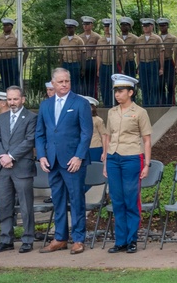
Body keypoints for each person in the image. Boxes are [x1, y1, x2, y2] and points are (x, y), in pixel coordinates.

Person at [36, 67, 93, 255]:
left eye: (67, 81)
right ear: (53, 83)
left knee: (76, 200)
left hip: (73, 161)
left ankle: (78, 239)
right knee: (58, 200)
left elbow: (86, 133)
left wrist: (79, 156)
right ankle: (60, 238)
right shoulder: (45, 105)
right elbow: (40, 134)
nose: (64, 84)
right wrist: (42, 156)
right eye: (60, 81)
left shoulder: (80, 103)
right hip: (52, 161)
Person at [103, 74, 152, 253]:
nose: (117, 94)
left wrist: (146, 164)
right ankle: (120, 240)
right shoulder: (111, 112)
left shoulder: (140, 112)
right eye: (116, 91)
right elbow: (108, 136)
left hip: (132, 157)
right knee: (117, 200)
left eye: (121, 91)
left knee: (131, 199)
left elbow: (146, 139)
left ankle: (132, 239)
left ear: (131, 92)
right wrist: (105, 162)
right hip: (113, 158)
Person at [0, 86, 37, 254]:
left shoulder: (31, 117)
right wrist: (3, 156)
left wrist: (11, 157)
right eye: (9, 99)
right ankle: (6, 240)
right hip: (3, 168)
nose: (12, 103)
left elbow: (30, 140)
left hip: (22, 167)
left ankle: (27, 239)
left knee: (26, 206)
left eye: (15, 99)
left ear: (23, 99)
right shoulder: (1, 118)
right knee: (5, 205)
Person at [96, 19, 125, 108]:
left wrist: (123, 68)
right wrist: (98, 68)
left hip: (114, 65)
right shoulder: (101, 41)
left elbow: (123, 54)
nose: (107, 28)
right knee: (104, 86)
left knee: (114, 86)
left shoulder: (118, 40)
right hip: (104, 65)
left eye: (108, 26)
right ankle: (106, 104)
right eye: (105, 26)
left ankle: (115, 104)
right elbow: (99, 55)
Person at [136, 18, 164, 106]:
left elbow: (161, 52)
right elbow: (137, 53)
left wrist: (161, 67)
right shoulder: (139, 39)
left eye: (147, 26)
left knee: (153, 85)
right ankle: (145, 104)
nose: (145, 28)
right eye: (144, 26)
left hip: (153, 63)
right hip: (143, 63)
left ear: (152, 26)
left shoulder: (157, 38)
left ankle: (153, 104)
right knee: (144, 85)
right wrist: (138, 66)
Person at [58, 19, 86, 95]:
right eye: (68, 28)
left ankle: (75, 97)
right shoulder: (62, 40)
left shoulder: (79, 40)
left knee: (75, 83)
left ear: (74, 28)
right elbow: (60, 53)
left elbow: (83, 53)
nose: (69, 29)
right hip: (65, 63)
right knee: (64, 82)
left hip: (75, 63)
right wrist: (60, 66)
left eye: (71, 28)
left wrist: (83, 68)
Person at [81, 16, 101, 100]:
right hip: (83, 61)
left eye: (87, 24)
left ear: (91, 25)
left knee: (92, 82)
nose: (85, 26)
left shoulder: (97, 36)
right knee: (83, 82)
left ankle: (93, 100)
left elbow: (99, 50)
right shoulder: (80, 37)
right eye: (84, 24)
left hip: (92, 60)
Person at [0, 18, 20, 89]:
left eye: (7, 25)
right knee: (4, 80)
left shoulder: (16, 37)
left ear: (11, 26)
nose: (5, 27)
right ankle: (6, 95)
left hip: (12, 60)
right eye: (4, 25)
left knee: (14, 80)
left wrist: (22, 61)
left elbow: (24, 49)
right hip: (3, 61)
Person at [157, 17, 176, 105]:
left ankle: (170, 103)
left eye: (164, 26)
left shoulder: (173, 38)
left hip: (168, 61)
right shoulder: (157, 38)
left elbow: (176, 51)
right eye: (160, 26)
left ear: (167, 26)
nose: (162, 28)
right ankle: (162, 103)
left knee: (170, 84)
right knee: (160, 84)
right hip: (158, 62)